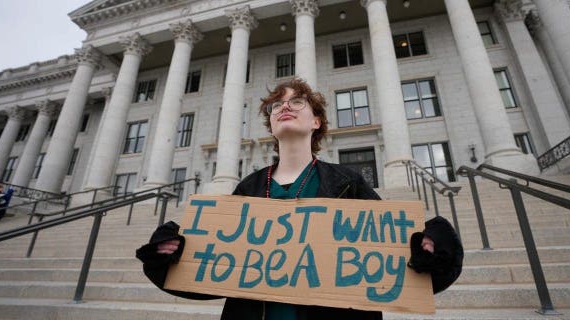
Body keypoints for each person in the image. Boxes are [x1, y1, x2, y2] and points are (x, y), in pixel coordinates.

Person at [137, 78, 463, 320]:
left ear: (316, 122)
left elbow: (393, 253)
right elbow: (214, 270)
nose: (284, 108)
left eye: (296, 103)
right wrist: (172, 252)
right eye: (276, 105)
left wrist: (428, 246)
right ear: (271, 124)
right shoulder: (249, 186)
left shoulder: (346, 181)